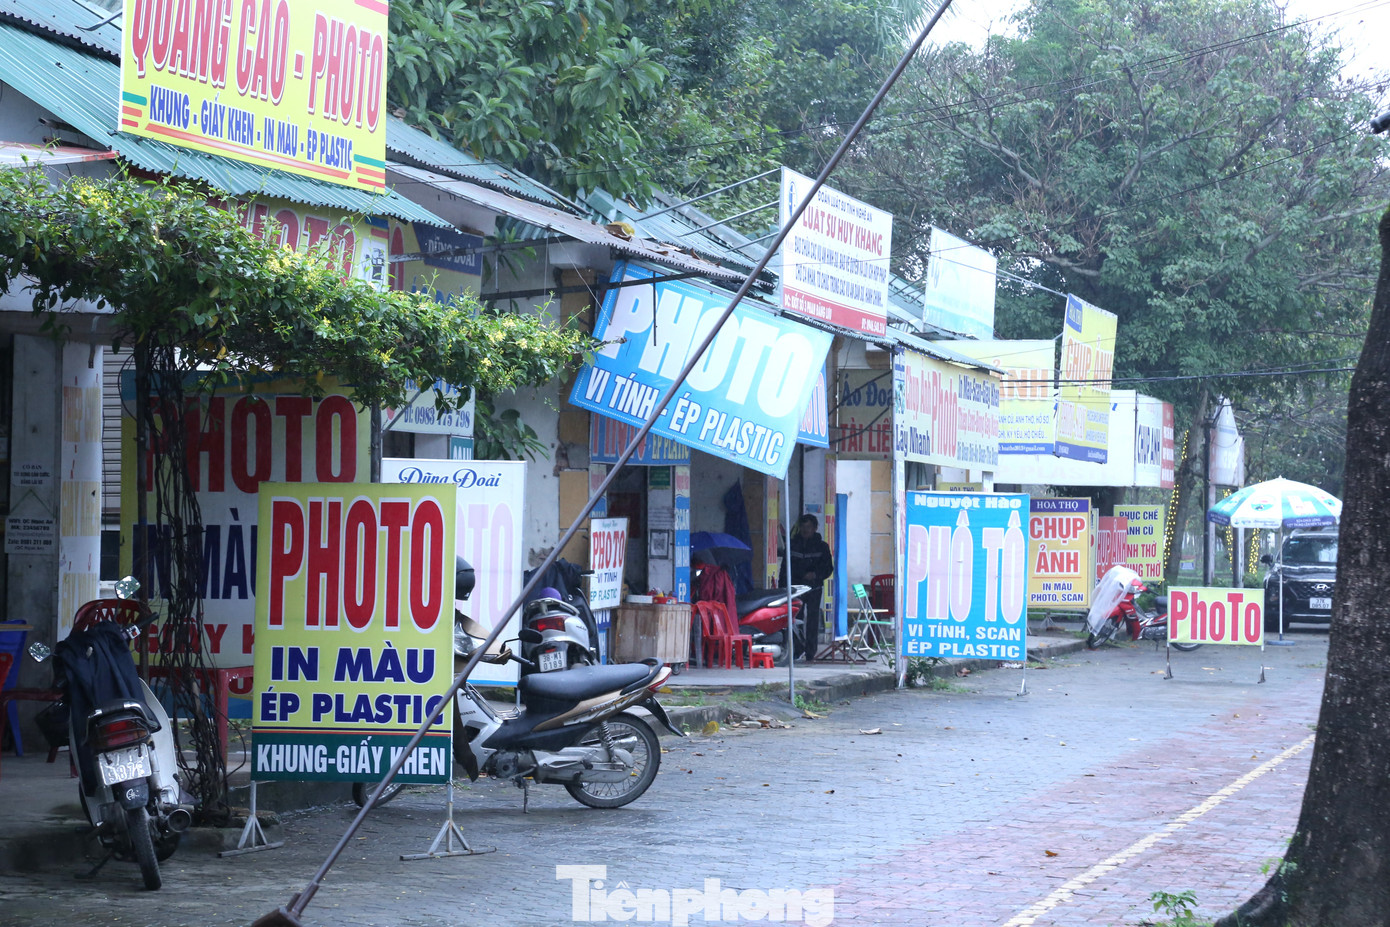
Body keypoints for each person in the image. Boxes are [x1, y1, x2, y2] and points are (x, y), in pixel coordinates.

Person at [780, 514, 834, 662]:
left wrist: (815, 575)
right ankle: (797, 650)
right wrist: (782, 587)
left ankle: (810, 652)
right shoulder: (792, 545)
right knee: (794, 620)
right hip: (795, 589)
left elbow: (828, 568)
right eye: (803, 527)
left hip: (814, 589)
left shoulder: (822, 546)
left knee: (812, 620)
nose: (805, 530)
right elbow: (784, 567)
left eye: (808, 527)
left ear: (815, 528)